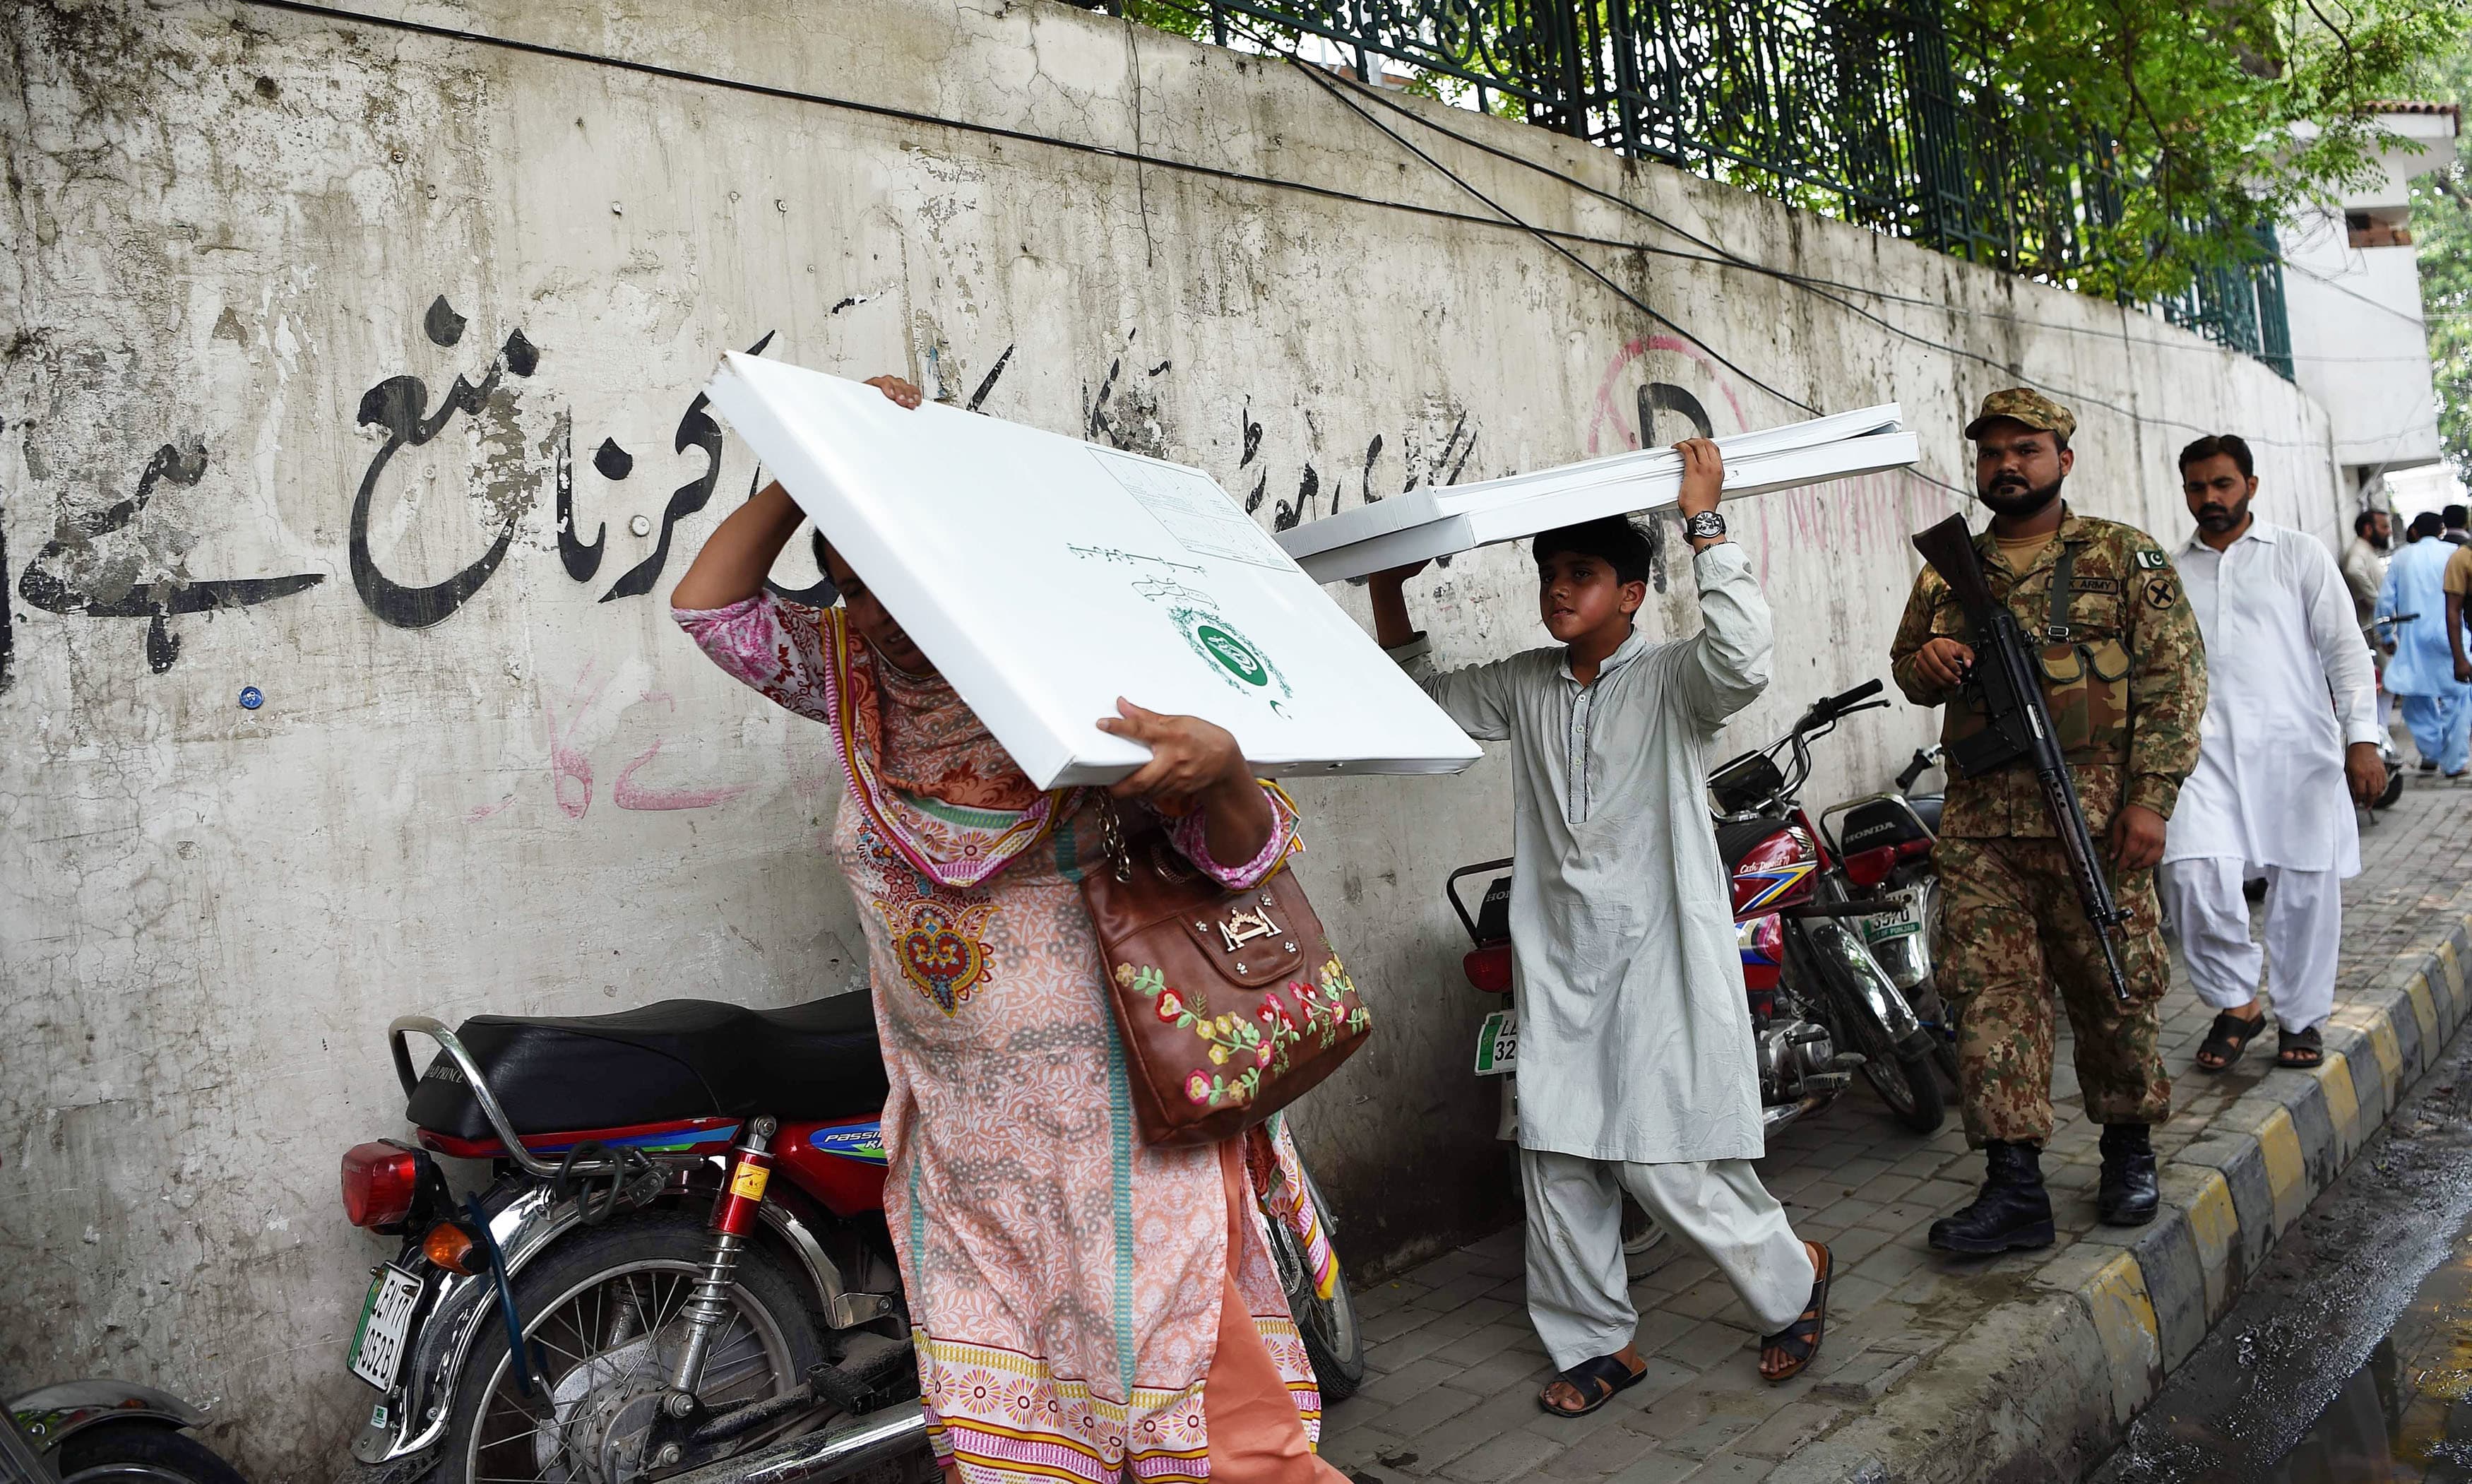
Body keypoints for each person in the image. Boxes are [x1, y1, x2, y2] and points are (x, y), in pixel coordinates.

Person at [670, 373, 1346, 1484]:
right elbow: (713, 609)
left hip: (1134, 1148)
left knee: (1216, 1443)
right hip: (971, 1157)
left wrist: (1224, 763)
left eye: (890, 562)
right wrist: (811, 459)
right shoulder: (850, 680)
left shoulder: (1076, 677)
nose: (873, 599)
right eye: (848, 569)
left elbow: (1241, 851)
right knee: (1024, 1444)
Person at [1365, 439, 1831, 1415]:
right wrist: (1391, 596)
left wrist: (1708, 525)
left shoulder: (1673, 680)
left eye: (1581, 575)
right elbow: (1418, 704)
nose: (1558, 590)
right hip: (1559, 957)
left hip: (1658, 951)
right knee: (1559, 1151)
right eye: (1549, 575)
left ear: (1630, 593)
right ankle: (1597, 1344)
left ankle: (1793, 1280)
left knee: (1664, 1156)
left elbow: (1743, 659)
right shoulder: (1529, 683)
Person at [1888, 388, 2204, 1253]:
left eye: (2024, 449)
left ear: (2061, 459)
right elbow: (1904, 670)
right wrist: (1928, 659)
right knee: (1989, 1000)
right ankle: (2012, 1183)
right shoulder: (1945, 572)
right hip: (1982, 830)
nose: (2005, 465)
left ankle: (2128, 1147)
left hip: (2096, 824)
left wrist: (2151, 798)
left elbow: (2172, 685)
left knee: (2110, 984)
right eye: (1990, 452)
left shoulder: (2121, 556)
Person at [2156, 435, 2384, 1075]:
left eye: (2222, 484)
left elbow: (2345, 649)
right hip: (2204, 757)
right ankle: (2236, 1001)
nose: (2210, 498)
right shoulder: (2170, 573)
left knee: (2306, 887)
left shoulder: (2300, 555)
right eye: (2197, 487)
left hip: (2295, 749)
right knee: (2192, 873)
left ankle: (2302, 1015)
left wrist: (2361, 739)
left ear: (2250, 486)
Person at [2380, 511, 2471, 779]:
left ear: (2415, 533)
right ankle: (2454, 763)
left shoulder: (2402, 558)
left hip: (2414, 637)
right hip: (2455, 636)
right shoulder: (2456, 553)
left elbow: (2386, 601)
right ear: (2442, 530)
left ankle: (2432, 752)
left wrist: (2387, 635)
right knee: (2459, 698)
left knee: (2416, 698)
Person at [2343, 509, 2394, 730]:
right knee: (2385, 685)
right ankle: (2378, 732)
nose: (2389, 531)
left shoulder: (2367, 551)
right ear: (2368, 529)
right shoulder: (2359, 552)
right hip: (2375, 632)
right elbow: (2353, 571)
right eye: (2384, 527)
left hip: (2379, 629)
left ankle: (2380, 731)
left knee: (2388, 685)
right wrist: (2375, 600)